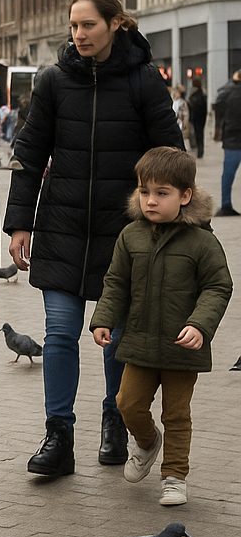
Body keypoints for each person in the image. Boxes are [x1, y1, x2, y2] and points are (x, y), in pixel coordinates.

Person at [5, 0, 184, 478]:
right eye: (74, 25)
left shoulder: (145, 81)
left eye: (88, 25)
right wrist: (20, 222)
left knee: (116, 336)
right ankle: (58, 436)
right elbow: (29, 153)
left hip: (124, 234)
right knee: (60, 334)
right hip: (61, 227)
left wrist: (170, 218)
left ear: (115, 25)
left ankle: (114, 421)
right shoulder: (54, 81)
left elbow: (173, 155)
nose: (79, 34)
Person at [90, 147, 232, 506]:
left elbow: (218, 286)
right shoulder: (131, 236)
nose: (150, 201)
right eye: (144, 191)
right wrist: (103, 318)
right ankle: (148, 442)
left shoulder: (203, 241)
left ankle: (174, 476)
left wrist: (200, 325)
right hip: (138, 342)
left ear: (186, 196)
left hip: (182, 347)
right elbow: (116, 282)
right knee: (127, 403)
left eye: (162, 193)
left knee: (176, 414)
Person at [212, 69, 241, 216]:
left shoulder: (225, 91)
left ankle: (226, 204)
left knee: (228, 174)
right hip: (234, 136)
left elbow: (217, 108)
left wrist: (219, 130)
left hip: (231, 138)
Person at [189, 77, 207, 159]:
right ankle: (200, 150)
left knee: (198, 134)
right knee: (200, 134)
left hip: (196, 117)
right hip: (201, 118)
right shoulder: (202, 94)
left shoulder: (196, 94)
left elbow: (193, 105)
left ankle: (199, 151)